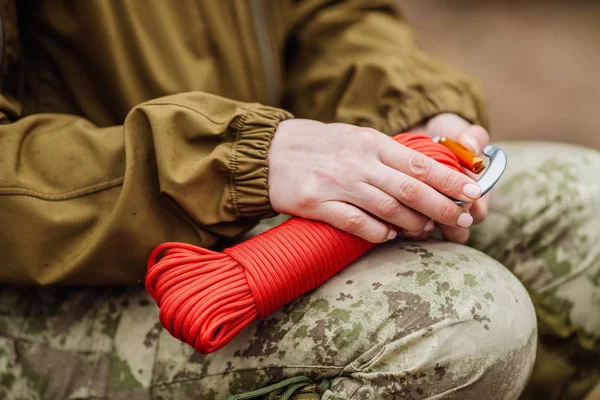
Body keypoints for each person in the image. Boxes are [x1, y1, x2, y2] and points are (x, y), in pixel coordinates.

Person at [0, 1, 597, 399]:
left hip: (251, 203)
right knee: (463, 317)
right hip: (57, 273)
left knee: (589, 209)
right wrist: (230, 160)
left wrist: (412, 110)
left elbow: (329, 15)